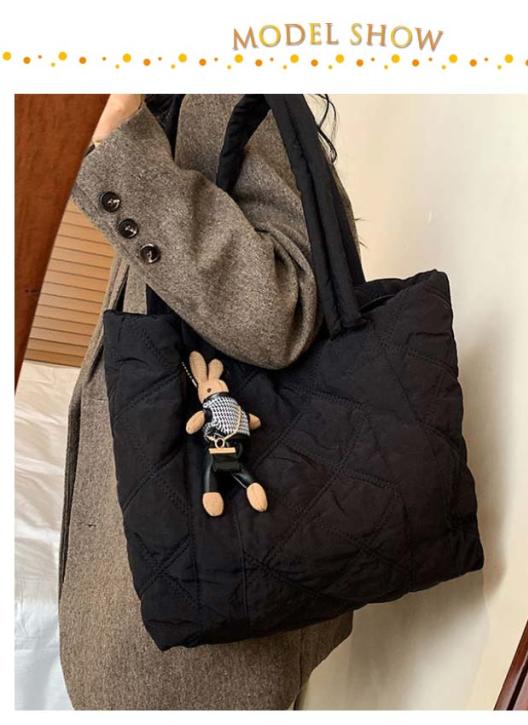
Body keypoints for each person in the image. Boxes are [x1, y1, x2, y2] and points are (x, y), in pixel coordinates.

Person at [58, 93, 358, 710]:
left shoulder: (228, 100)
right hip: (164, 612)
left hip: (189, 653)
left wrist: (116, 140)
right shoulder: (176, 114)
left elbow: (279, 312)